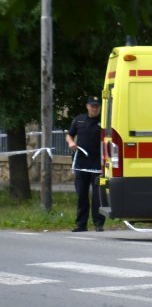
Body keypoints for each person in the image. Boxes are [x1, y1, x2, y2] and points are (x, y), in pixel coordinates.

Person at [66, 96, 105, 232]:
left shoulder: (104, 121)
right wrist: (71, 143)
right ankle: (81, 225)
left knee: (97, 196)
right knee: (81, 195)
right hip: (81, 163)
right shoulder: (79, 120)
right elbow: (69, 135)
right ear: (87, 106)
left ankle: (98, 223)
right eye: (92, 106)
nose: (95, 108)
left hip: (97, 164)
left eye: (97, 106)